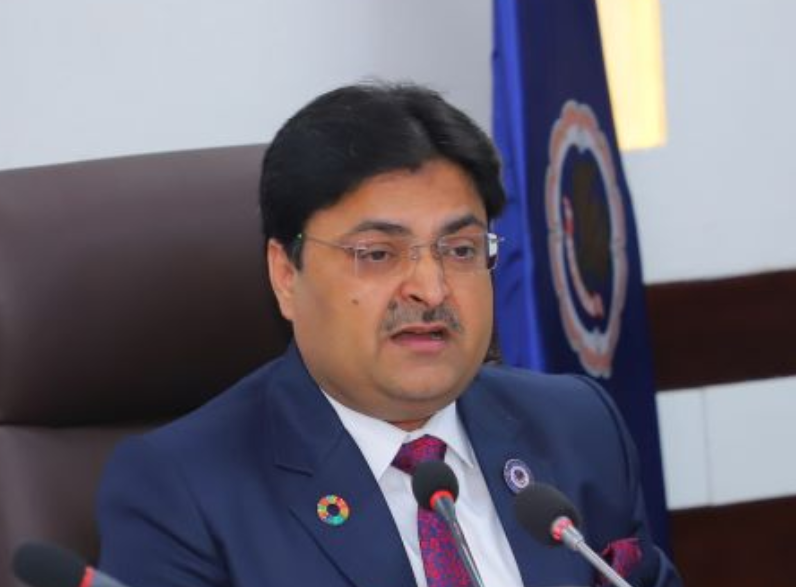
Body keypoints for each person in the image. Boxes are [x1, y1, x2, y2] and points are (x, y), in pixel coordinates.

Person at [96, 82, 682, 587]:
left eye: (460, 250)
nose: (430, 288)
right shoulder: (182, 492)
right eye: (377, 253)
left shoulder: (579, 427)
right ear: (286, 275)